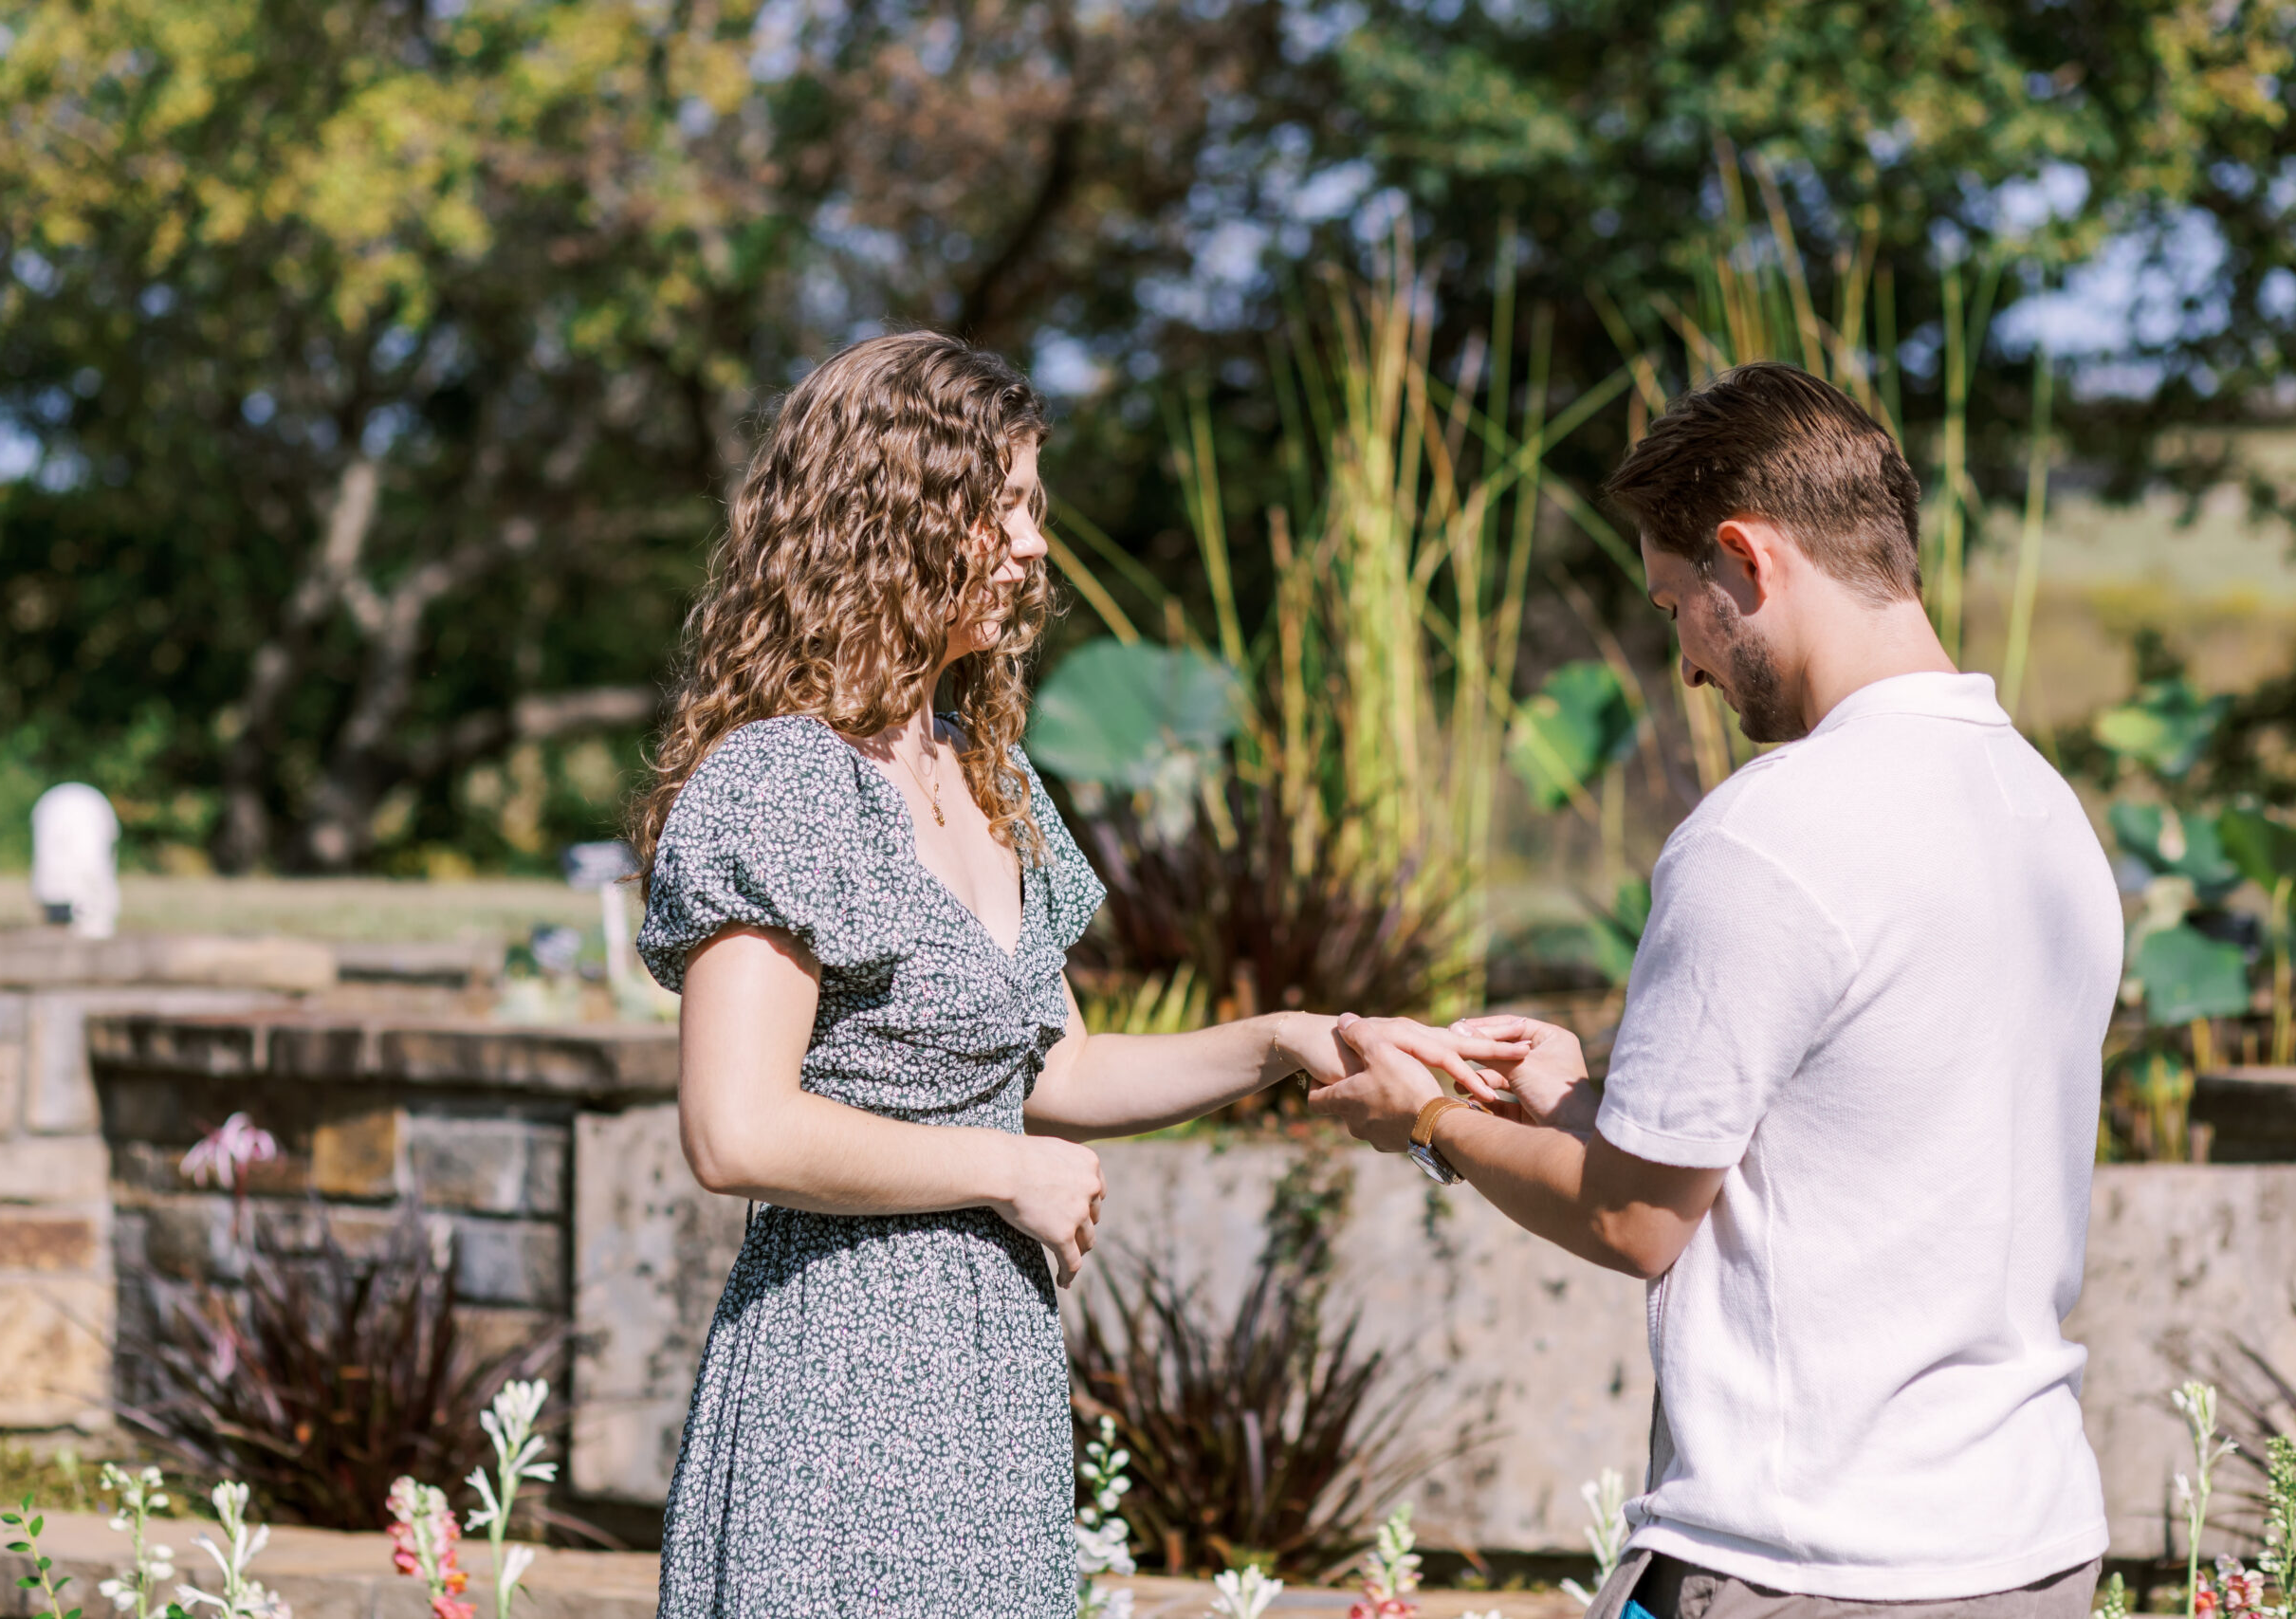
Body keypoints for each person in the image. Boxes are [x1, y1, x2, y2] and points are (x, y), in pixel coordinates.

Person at [631, 330, 1519, 1619]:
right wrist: (1007, 1170)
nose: (1032, 547)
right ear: (887, 521)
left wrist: (1284, 1037)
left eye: (1031, 511)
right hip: (842, 1382)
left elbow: (1060, 1066)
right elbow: (736, 1127)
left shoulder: (985, 775)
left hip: (990, 1377)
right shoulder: (779, 783)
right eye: (998, 512)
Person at [1313, 361, 2122, 1616]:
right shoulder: (2044, 814)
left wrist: (1428, 1123)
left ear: (1747, 559)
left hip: (1806, 1563)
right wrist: (1579, 1103)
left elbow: (1635, 1224)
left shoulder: (1770, 833)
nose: (1686, 664)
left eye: (1675, 604)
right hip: (2029, 1549)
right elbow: (1809, 1173)